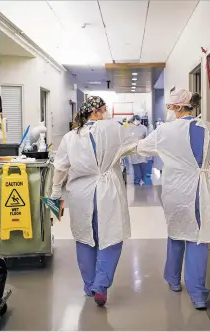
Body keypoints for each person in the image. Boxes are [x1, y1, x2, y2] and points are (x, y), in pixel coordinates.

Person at [137, 89, 210, 309]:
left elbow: (143, 148)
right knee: (198, 238)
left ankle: (174, 280)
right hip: (202, 189)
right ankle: (198, 296)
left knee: (176, 232)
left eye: (170, 106)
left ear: (178, 107)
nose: (168, 110)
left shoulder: (165, 130)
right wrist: (209, 184)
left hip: (176, 190)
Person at [51, 96, 136, 306]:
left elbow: (60, 167)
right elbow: (133, 147)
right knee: (111, 236)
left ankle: (89, 285)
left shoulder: (70, 137)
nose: (106, 113)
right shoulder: (114, 128)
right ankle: (101, 285)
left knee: (85, 238)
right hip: (108, 191)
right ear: (96, 111)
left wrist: (54, 192)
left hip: (80, 193)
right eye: (104, 109)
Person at [127, 115, 149, 185]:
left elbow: (147, 138)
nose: (137, 121)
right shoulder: (129, 128)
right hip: (133, 149)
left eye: (138, 119)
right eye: (135, 119)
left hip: (142, 148)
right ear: (133, 120)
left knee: (143, 164)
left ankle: (143, 178)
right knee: (135, 165)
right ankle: (137, 179)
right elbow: (127, 138)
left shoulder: (144, 128)